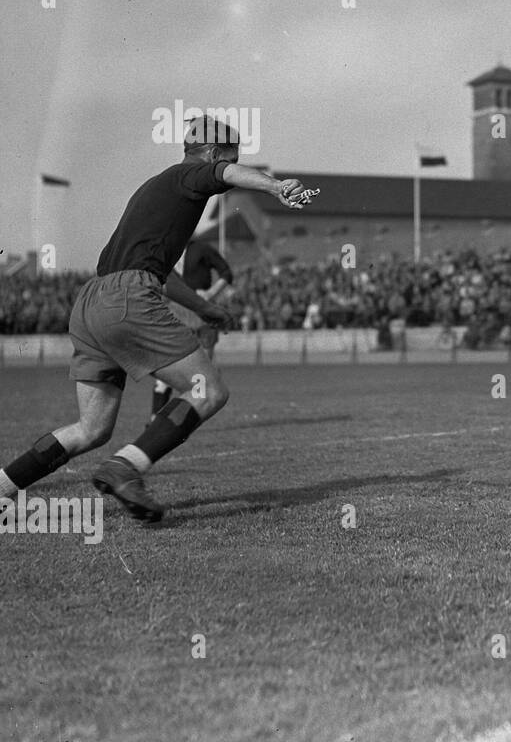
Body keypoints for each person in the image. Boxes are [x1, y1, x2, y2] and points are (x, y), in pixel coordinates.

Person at [0, 117, 316, 523]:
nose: (234, 165)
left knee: (91, 428)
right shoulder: (191, 174)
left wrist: (203, 308)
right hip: (128, 299)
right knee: (208, 390)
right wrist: (275, 186)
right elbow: (224, 173)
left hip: (92, 301)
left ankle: (3, 488)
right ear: (213, 152)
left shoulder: (158, 188)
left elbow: (159, 273)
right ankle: (125, 467)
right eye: (233, 156)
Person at [150, 236, 234, 418]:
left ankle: (192, 415)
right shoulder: (165, 252)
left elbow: (227, 272)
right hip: (175, 310)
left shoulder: (201, 248)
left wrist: (211, 293)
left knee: (203, 373)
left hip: (201, 311)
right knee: (168, 366)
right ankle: (155, 418)